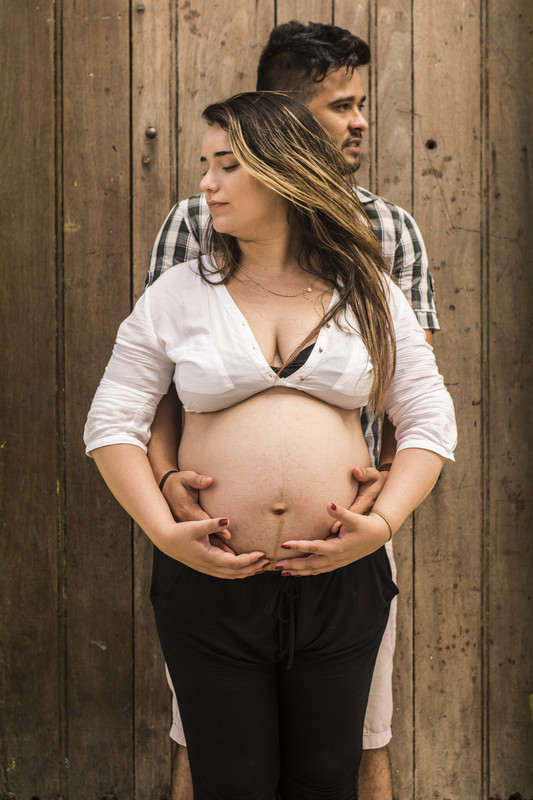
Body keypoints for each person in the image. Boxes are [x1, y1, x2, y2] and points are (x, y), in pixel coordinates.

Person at [85, 91, 456, 799]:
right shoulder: (177, 293)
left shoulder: (367, 289)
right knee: (233, 781)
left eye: (226, 165)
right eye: (205, 164)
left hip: (341, 582)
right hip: (210, 581)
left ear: (282, 172)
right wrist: (164, 533)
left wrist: (380, 524)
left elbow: (429, 418)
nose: (205, 184)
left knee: (326, 778)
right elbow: (112, 424)